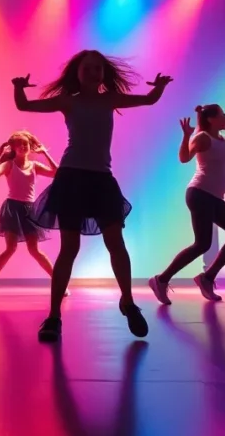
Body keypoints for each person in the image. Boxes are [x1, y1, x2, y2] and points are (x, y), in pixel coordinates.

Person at [13, 50, 173, 342]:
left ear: (103, 73)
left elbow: (149, 100)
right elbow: (24, 106)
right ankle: (54, 316)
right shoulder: (68, 102)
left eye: (98, 69)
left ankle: (127, 301)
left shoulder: (109, 99)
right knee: (69, 248)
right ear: (78, 72)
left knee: (116, 243)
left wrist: (159, 88)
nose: (93, 73)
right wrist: (18, 88)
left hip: (101, 179)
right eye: (88, 69)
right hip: (72, 177)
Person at [149, 104, 225, 304]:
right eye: (222, 114)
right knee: (203, 243)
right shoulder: (203, 138)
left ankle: (206, 277)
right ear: (211, 119)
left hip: (214, 198)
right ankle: (161, 280)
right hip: (199, 194)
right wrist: (186, 136)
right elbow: (184, 158)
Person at [0, 130, 60, 297]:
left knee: (34, 250)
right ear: (14, 148)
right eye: (20, 144)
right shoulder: (9, 164)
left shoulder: (34, 166)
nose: (23, 147)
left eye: (26, 144)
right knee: (10, 248)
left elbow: (57, 173)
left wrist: (45, 153)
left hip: (29, 209)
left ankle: (58, 283)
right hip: (12, 209)